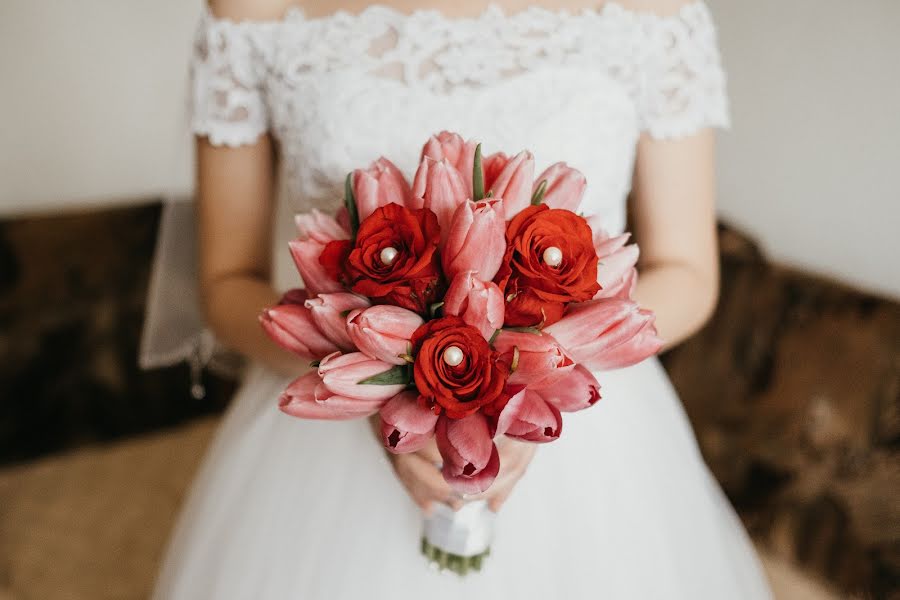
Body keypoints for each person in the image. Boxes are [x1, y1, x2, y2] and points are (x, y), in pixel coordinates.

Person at [152, 0, 774, 597]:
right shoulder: (252, 11)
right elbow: (226, 282)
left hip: (585, 427)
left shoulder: (655, 12)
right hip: (330, 415)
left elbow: (688, 273)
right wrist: (378, 385)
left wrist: (532, 377)